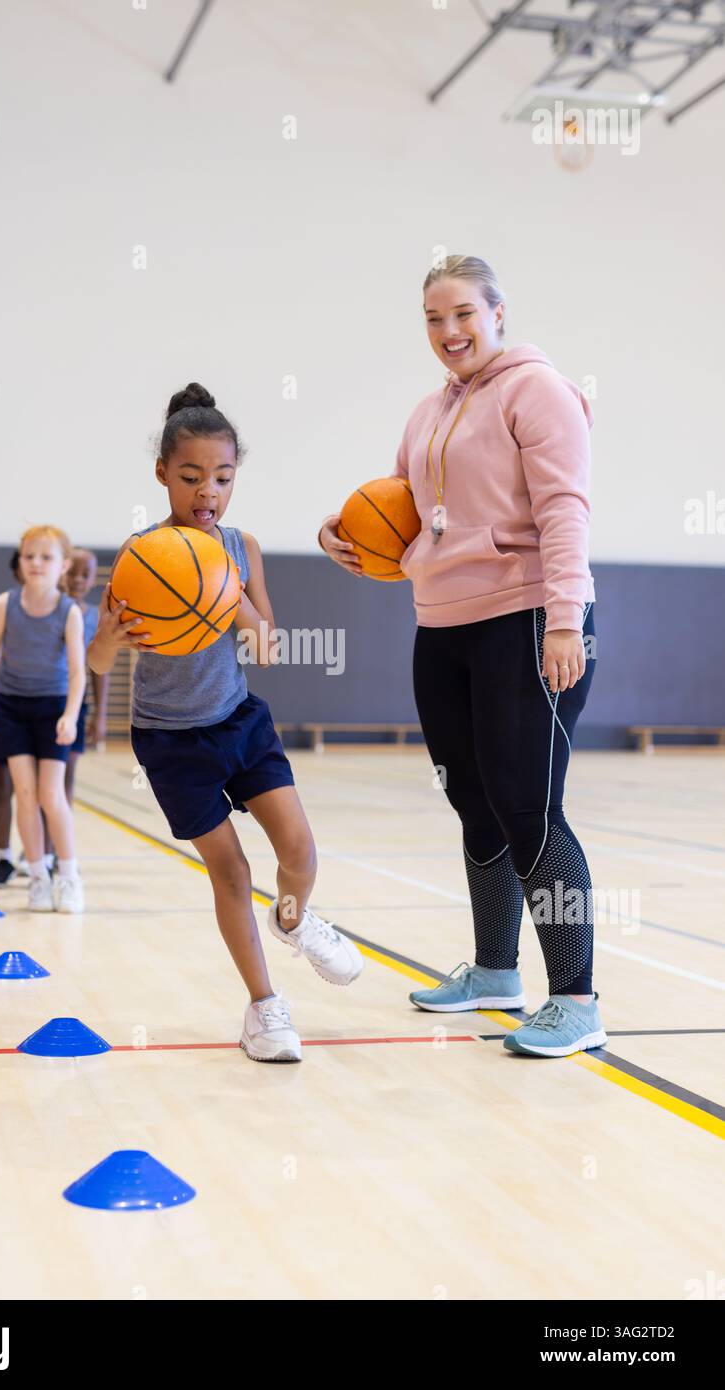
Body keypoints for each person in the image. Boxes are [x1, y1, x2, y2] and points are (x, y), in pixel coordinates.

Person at [318, 254, 607, 1059]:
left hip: (526, 618)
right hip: (440, 623)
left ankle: (577, 1001)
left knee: (529, 808)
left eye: (462, 315)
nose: (448, 332)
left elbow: (564, 510)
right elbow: (403, 515)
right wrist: (341, 536)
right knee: (473, 802)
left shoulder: (538, 391)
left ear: (498, 313)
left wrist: (561, 621)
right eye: (433, 320)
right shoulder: (425, 414)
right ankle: (493, 972)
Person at [88, 382, 363, 1063]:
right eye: (190, 477)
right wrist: (113, 642)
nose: (206, 491)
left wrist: (226, 595)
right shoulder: (140, 554)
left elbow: (264, 643)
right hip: (168, 739)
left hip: (238, 721)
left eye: (222, 477)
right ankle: (264, 1008)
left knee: (298, 852)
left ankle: (293, 923)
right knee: (232, 872)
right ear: (162, 475)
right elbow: (96, 661)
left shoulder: (242, 549)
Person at [0, 526, 85, 912]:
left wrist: (71, 715)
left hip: (53, 706)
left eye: (46, 557)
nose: (36, 563)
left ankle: (68, 877)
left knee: (50, 795)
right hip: (11, 706)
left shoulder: (68, 611)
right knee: (23, 793)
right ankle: (37, 876)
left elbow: (78, 672)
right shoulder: (4, 604)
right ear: (19, 562)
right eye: (28, 556)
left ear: (63, 565)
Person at [61, 547, 108, 805]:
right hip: (44, 699)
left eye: (85, 574)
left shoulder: (94, 616)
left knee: (67, 774)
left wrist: (99, 715)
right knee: (42, 776)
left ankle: (58, 841)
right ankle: (37, 843)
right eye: (72, 572)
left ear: (92, 580)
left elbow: (98, 669)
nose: (78, 579)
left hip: (76, 705)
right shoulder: (49, 610)